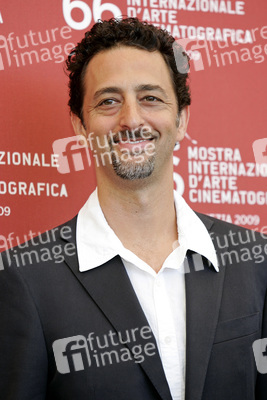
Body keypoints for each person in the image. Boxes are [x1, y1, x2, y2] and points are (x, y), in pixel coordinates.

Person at [0, 17, 266, 400]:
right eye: (108, 101)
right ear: (79, 125)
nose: (131, 119)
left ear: (182, 119)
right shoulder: (24, 281)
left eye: (150, 98)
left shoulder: (255, 261)